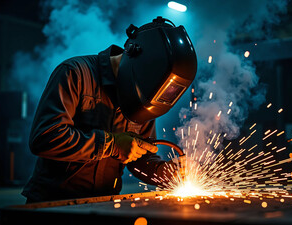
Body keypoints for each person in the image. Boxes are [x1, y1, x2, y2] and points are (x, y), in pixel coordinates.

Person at [22, 16, 197, 203]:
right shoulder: (75, 73)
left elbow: (139, 157)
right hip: (51, 206)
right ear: (135, 59)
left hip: (105, 205)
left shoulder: (146, 99)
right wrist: (110, 145)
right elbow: (45, 138)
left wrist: (164, 171)